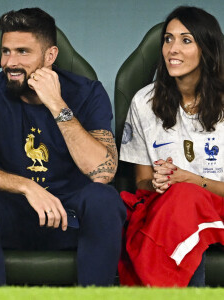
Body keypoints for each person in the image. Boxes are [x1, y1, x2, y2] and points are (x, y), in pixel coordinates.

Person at [0, 7, 126, 286]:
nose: (10, 62)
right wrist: (27, 186)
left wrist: (57, 104)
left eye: (23, 52)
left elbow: (102, 172)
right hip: (12, 216)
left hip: (69, 220)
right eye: (6, 51)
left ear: (50, 56)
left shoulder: (87, 92)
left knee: (105, 200)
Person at [119, 6, 224, 287]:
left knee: (185, 199)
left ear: (208, 49)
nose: (172, 49)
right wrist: (158, 184)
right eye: (168, 39)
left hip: (216, 206)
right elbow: (140, 183)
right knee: (177, 203)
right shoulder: (144, 102)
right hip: (168, 210)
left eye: (185, 40)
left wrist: (190, 181)